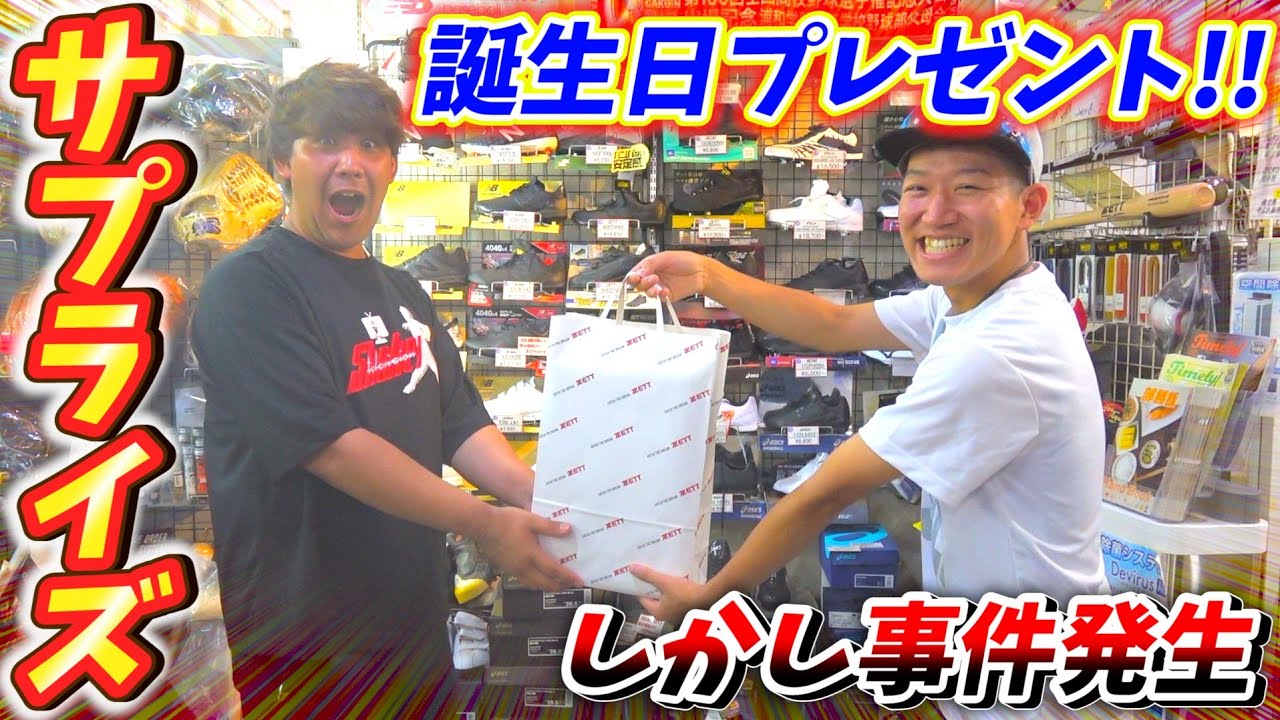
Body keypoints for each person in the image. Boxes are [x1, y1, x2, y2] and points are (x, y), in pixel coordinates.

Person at [190, 62, 581, 718]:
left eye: (370, 145)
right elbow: (329, 446)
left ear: (392, 166)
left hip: (412, 619)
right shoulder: (249, 287)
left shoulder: (401, 291)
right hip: (306, 642)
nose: (351, 163)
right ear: (284, 162)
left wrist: (545, 506)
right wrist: (485, 524)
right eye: (326, 142)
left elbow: (457, 418)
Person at [627, 113, 1109, 623]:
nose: (936, 212)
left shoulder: (996, 351)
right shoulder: (989, 294)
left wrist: (710, 596)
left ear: (1029, 205)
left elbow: (825, 494)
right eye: (918, 187)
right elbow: (835, 323)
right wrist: (709, 274)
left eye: (968, 187)